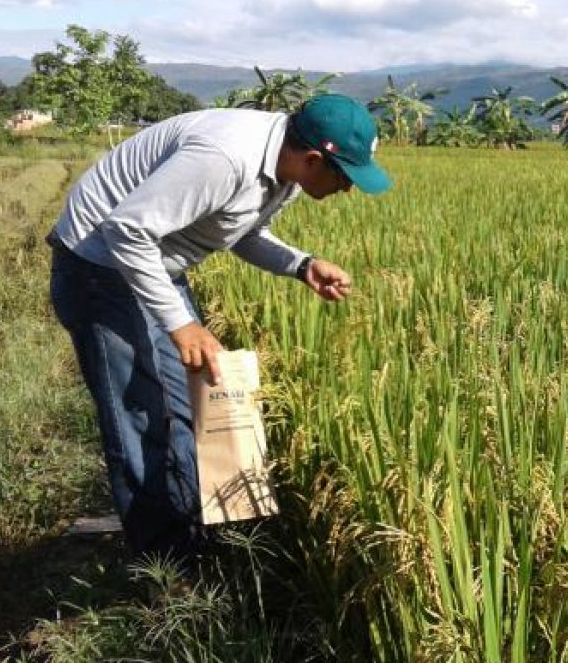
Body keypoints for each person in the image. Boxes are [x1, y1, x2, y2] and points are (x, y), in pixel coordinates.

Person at [46, 94, 391, 562]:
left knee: (191, 401)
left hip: (154, 260)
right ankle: (166, 568)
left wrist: (301, 264)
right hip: (99, 264)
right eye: (345, 177)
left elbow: (242, 231)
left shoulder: (284, 171)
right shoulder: (225, 158)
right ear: (314, 159)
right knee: (139, 414)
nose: (347, 190)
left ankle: (191, 528)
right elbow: (126, 230)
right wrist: (181, 324)